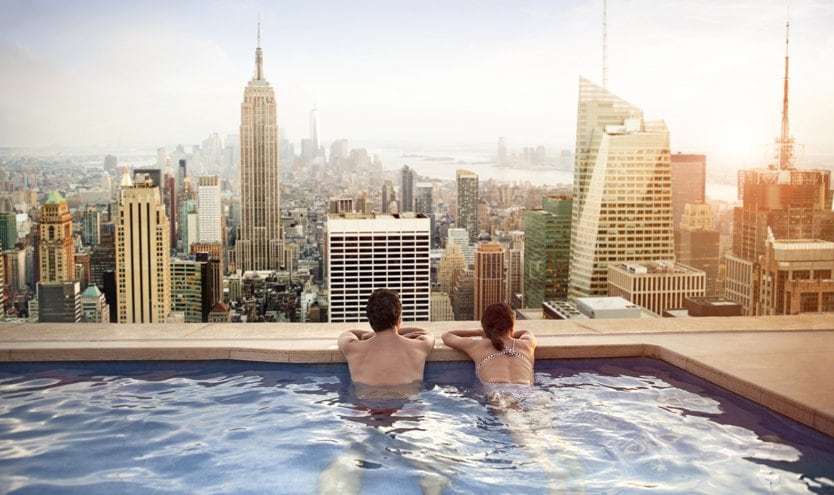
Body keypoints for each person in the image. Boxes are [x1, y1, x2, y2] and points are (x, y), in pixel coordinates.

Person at [337, 288, 435, 388]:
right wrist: (397, 332)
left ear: (370, 320)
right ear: (398, 319)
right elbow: (425, 333)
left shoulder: (352, 348)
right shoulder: (419, 347)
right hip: (407, 402)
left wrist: (371, 335)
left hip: (365, 402)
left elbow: (348, 333)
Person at [441, 302, 536, 384]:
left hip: (497, 392)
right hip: (527, 391)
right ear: (512, 325)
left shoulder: (477, 345)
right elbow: (526, 332)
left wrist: (479, 332)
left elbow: (447, 335)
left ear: (484, 326)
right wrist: (509, 336)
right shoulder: (527, 344)